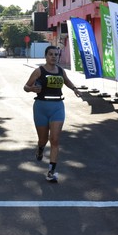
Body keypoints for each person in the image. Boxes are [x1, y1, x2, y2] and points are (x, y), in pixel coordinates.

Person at [23, 45, 81, 183]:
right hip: (41, 107)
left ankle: (51, 171)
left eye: (56, 54)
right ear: (46, 56)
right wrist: (32, 89)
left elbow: (66, 81)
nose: (54, 57)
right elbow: (25, 86)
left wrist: (74, 89)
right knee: (43, 140)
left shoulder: (60, 70)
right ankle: (40, 149)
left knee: (54, 139)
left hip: (57, 107)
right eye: (51, 54)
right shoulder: (39, 71)